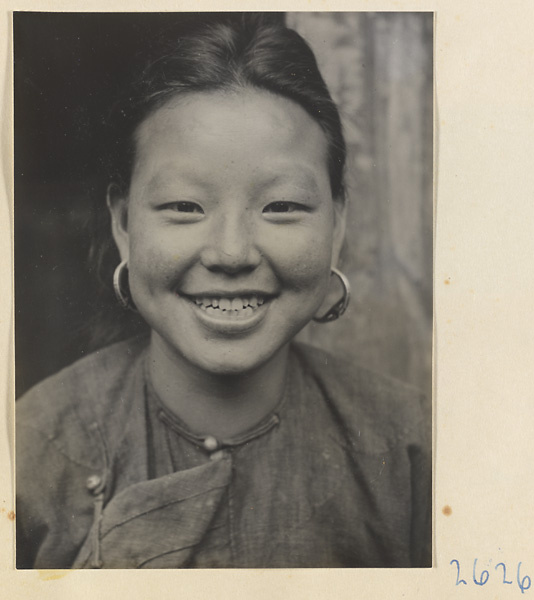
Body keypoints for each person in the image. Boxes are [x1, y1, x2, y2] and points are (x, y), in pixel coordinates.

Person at [16, 14, 431, 569]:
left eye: (280, 207)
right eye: (185, 207)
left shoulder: (412, 451)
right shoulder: (32, 453)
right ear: (123, 225)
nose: (231, 253)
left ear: (336, 227)